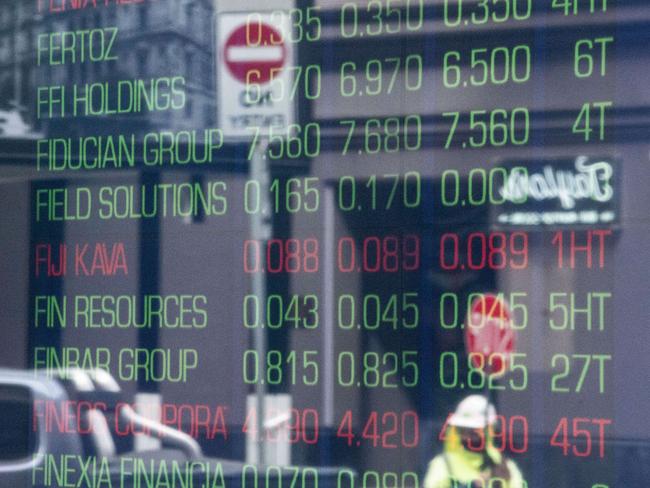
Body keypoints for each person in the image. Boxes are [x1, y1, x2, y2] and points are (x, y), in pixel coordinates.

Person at [423, 395, 524, 488]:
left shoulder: (505, 468)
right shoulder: (442, 465)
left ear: (489, 431)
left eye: (476, 432)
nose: (469, 437)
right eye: (464, 430)